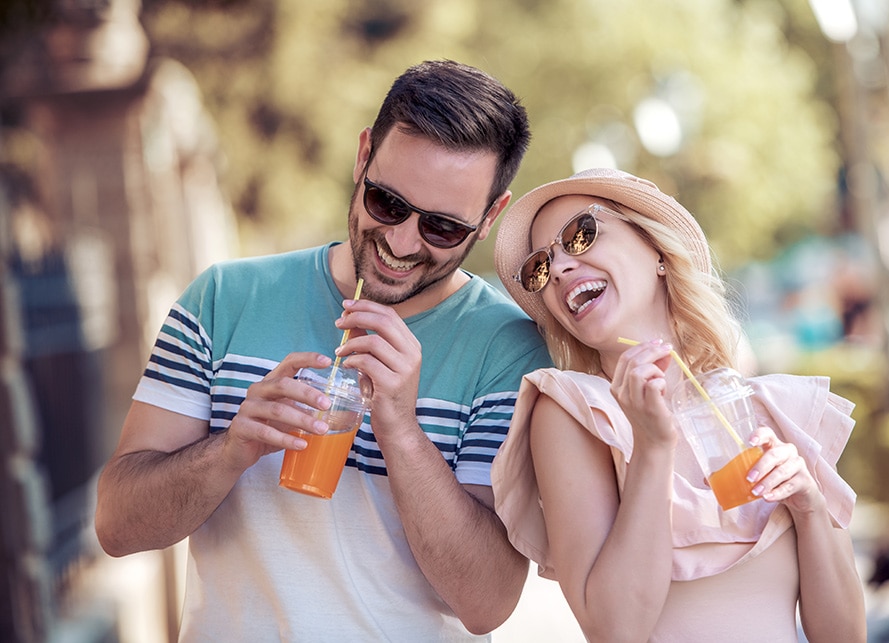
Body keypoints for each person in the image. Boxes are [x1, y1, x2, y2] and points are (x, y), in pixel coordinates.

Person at [95, 60, 551, 641]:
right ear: (363, 156)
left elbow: (486, 604)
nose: (402, 242)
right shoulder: (224, 299)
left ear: (490, 216)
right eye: (387, 202)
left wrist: (401, 429)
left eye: (442, 227)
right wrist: (231, 449)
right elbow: (116, 527)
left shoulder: (508, 350)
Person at [490, 168, 867, 642]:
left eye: (581, 235)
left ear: (657, 252)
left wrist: (809, 505)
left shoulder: (770, 407)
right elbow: (614, 631)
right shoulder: (574, 413)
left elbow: (845, 636)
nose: (560, 268)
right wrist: (651, 449)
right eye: (540, 268)